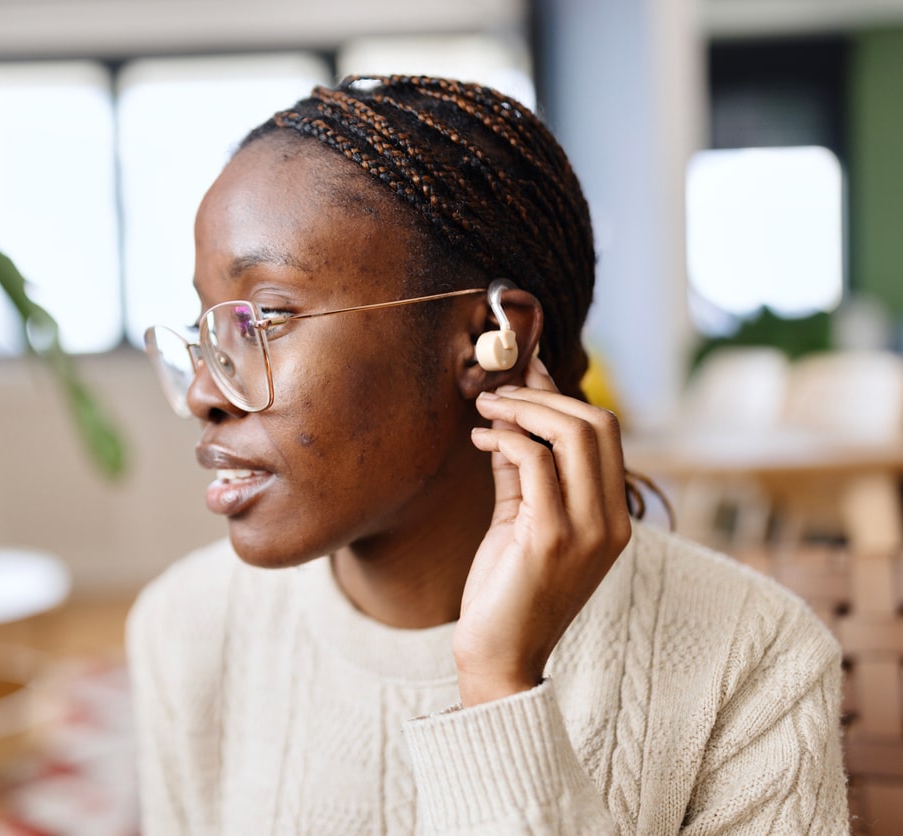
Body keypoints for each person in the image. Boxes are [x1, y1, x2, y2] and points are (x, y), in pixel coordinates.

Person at [128, 75, 848, 834]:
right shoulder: (185, 627)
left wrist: (500, 688)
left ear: (487, 338)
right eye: (205, 328)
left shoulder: (751, 657)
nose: (206, 388)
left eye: (266, 317)